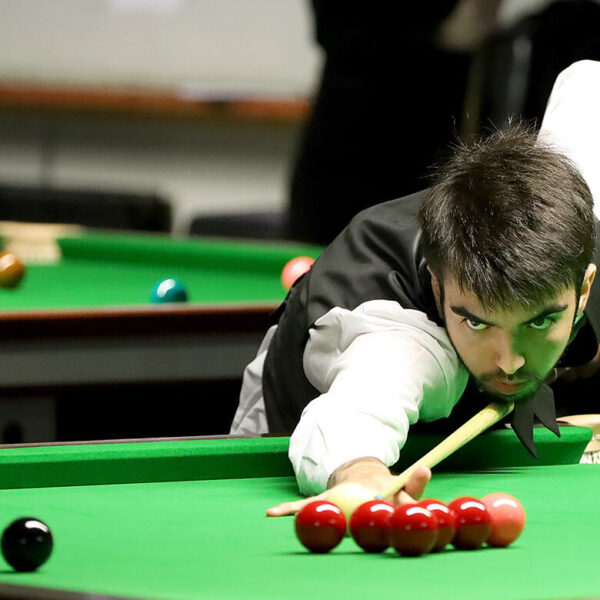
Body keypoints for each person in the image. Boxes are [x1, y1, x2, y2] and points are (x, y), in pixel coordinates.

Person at [231, 120, 600, 516]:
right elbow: (362, 403)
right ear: (438, 287)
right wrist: (360, 475)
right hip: (283, 425)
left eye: (539, 322)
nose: (509, 362)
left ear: (583, 289)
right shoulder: (399, 336)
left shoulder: (572, 233)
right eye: (477, 323)